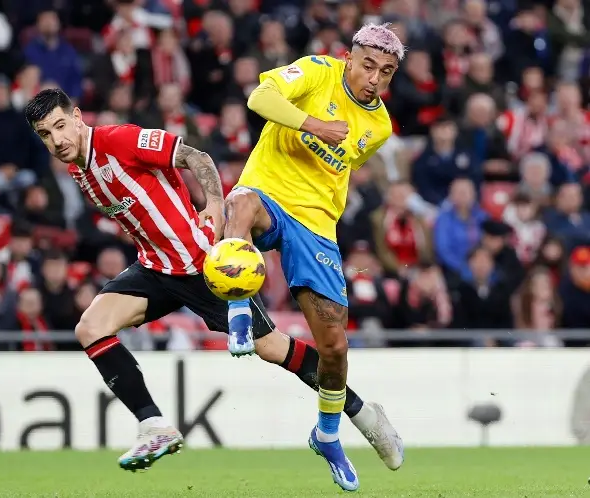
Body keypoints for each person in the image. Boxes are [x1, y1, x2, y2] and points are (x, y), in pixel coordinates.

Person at [23, 88, 402, 475]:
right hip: (156, 267)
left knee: (272, 348)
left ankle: (363, 414)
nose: (57, 140)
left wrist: (216, 204)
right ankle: (154, 426)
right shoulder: (79, 169)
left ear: (78, 117)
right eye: (45, 135)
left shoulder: (118, 139)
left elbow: (196, 157)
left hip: (201, 264)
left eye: (59, 126)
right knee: (90, 327)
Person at [221, 23, 406, 491]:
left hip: (318, 225)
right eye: (367, 65)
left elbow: (339, 170)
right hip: (267, 192)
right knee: (238, 204)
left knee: (335, 348)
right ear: (349, 57)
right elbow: (259, 99)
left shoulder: (379, 125)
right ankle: (238, 310)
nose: (374, 79)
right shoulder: (317, 71)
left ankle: (327, 435)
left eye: (385, 72)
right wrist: (314, 125)